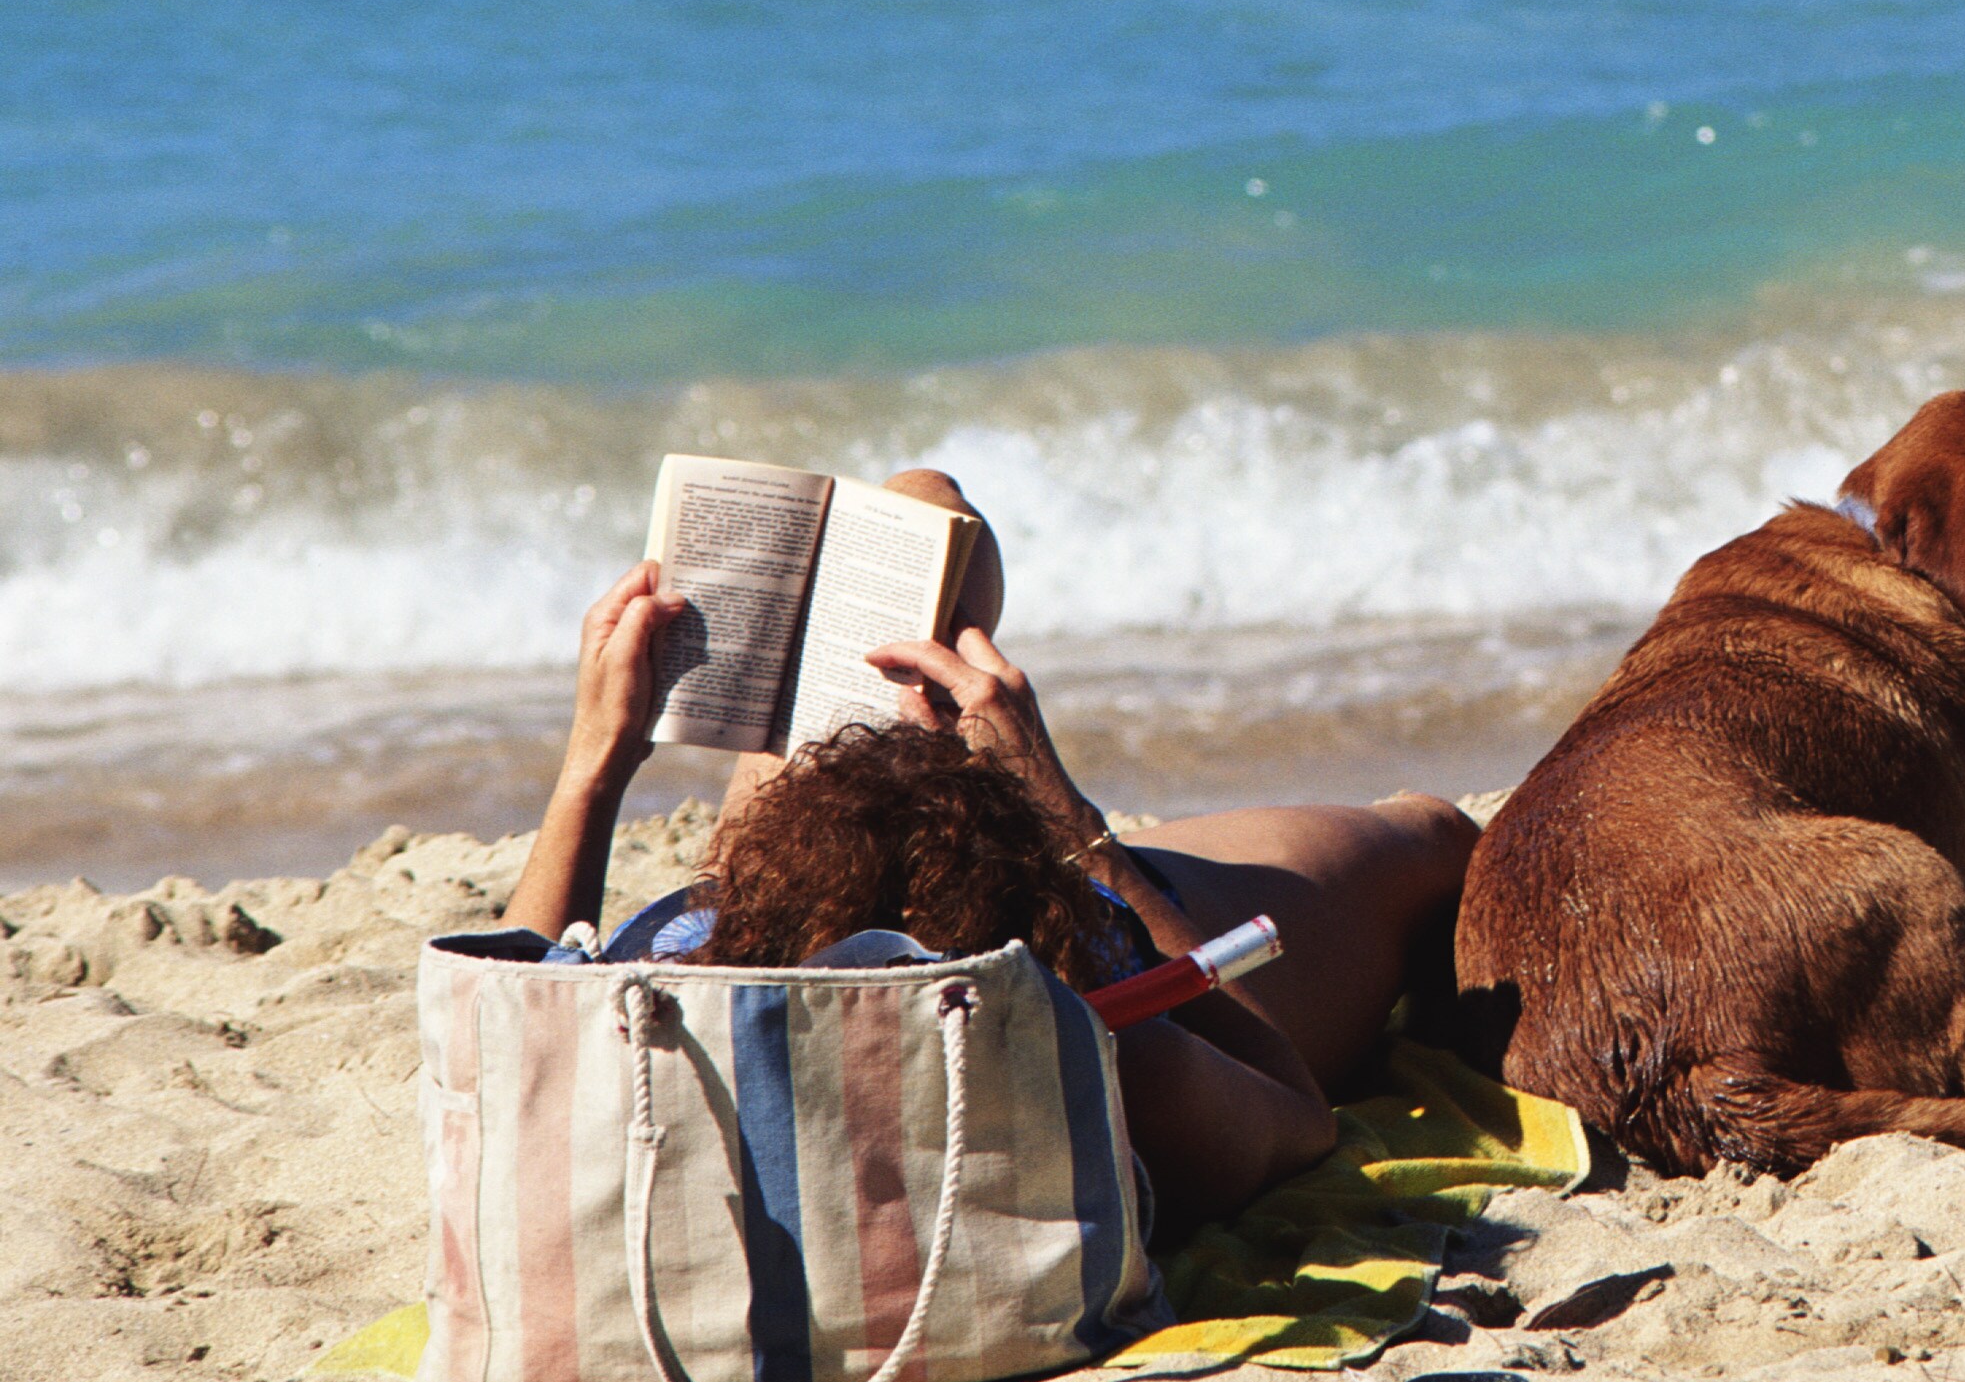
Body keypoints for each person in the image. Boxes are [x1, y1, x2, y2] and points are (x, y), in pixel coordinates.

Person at [499, 470, 1479, 1242]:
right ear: (1030, 892)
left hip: (832, 946)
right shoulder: (1102, 1046)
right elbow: (1297, 1110)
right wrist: (1064, 812)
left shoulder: (685, 973)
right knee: (1430, 831)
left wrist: (595, 762)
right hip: (1114, 940)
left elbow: (500, 1004)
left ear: (761, 876)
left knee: (921, 498)